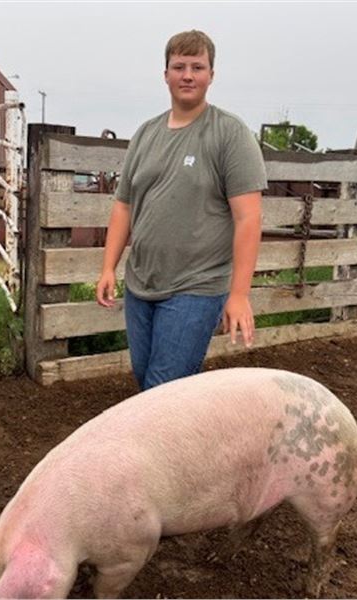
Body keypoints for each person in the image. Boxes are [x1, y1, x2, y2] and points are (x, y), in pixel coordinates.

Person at [96, 30, 268, 391]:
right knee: (147, 379)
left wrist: (239, 294)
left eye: (197, 67)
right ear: (166, 75)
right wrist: (108, 267)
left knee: (163, 390)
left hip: (196, 286)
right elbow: (124, 206)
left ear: (211, 75)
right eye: (179, 67)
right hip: (141, 283)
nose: (187, 75)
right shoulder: (146, 134)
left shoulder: (229, 133)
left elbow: (248, 217)